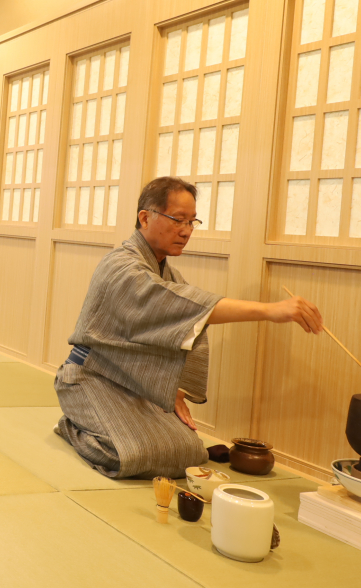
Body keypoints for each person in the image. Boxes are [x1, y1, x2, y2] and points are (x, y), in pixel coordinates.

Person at [54, 177, 324, 480]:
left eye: (192, 222)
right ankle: (71, 426)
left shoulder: (168, 272)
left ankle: (114, 427)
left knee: (190, 453)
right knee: (132, 456)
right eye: (177, 220)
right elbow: (187, 306)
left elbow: (188, 326)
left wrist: (176, 390)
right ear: (145, 217)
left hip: (132, 383)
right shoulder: (121, 267)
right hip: (89, 377)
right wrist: (269, 310)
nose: (186, 231)